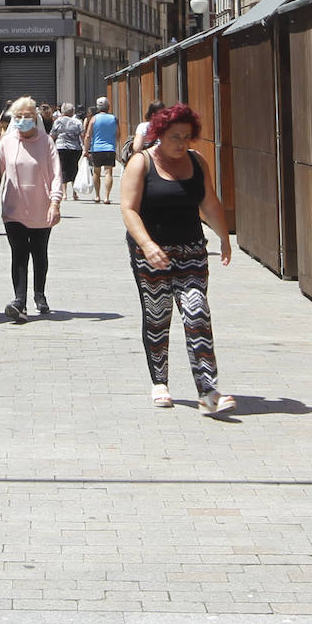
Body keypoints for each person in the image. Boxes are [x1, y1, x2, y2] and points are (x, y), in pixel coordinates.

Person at [120, 103, 235, 416]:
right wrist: (146, 244)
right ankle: (160, 382)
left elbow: (209, 201)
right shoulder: (141, 163)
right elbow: (129, 208)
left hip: (191, 251)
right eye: (175, 136)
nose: (182, 143)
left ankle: (208, 390)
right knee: (158, 317)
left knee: (197, 312)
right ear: (160, 134)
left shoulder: (197, 162)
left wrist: (224, 236)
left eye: (187, 136)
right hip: (152, 253)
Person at [0, 97, 63, 323]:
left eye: (27, 116)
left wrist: (55, 203)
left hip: (41, 208)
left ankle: (39, 293)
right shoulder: (7, 142)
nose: (23, 121)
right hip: (14, 208)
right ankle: (19, 301)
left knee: (39, 253)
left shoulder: (46, 143)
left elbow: (56, 176)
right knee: (19, 255)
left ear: (35, 119)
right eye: (18, 117)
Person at [83, 96, 120, 204]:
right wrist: (114, 145)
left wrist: (86, 150)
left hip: (96, 149)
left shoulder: (94, 119)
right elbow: (118, 134)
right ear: (108, 107)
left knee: (96, 172)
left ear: (98, 107)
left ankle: (97, 195)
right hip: (110, 148)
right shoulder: (114, 118)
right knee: (108, 173)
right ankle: (107, 197)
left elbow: (88, 135)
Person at [50, 102, 85, 201]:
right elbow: (82, 134)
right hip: (75, 148)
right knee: (74, 168)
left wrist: (49, 144)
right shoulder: (77, 122)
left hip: (61, 147)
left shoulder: (58, 121)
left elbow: (53, 134)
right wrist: (85, 147)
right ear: (72, 111)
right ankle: (74, 193)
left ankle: (64, 193)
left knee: (63, 169)